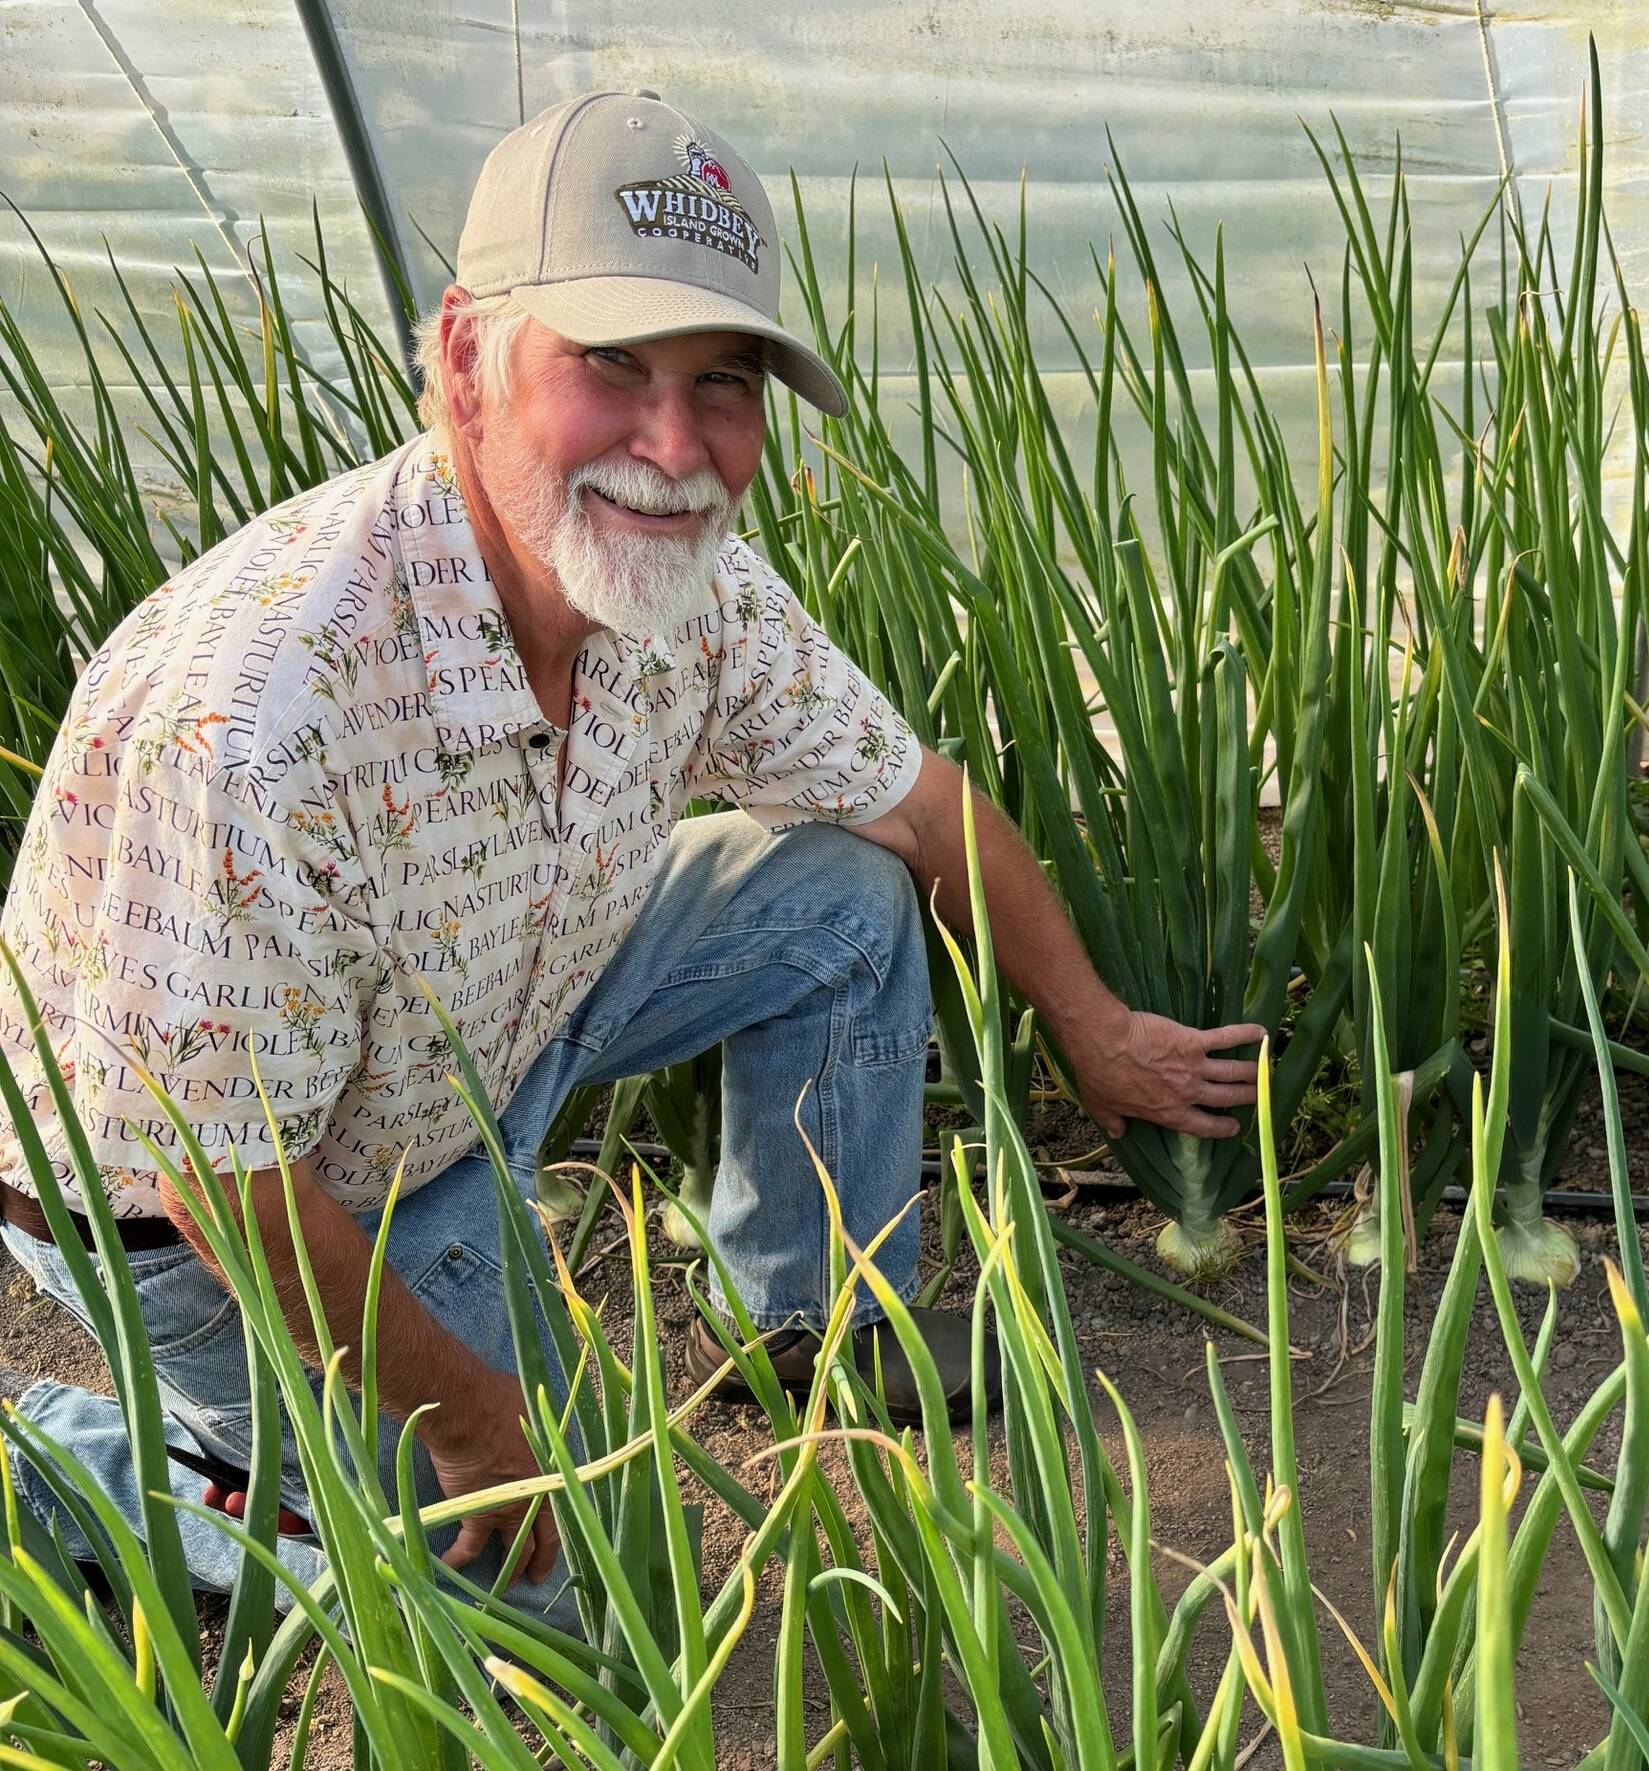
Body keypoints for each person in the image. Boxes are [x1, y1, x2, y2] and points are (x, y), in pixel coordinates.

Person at [0, 90, 1261, 1618]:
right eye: (609, 364)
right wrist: (466, 1419)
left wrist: (1102, 1034)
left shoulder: (695, 596)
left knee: (845, 899)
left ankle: (813, 1318)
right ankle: (92, 1471)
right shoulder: (263, 714)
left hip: (493, 1011)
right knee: (575, 1591)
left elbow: (922, 808)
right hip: (234, 1206)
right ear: (463, 359)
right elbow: (221, 1171)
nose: (675, 448)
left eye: (722, 381)